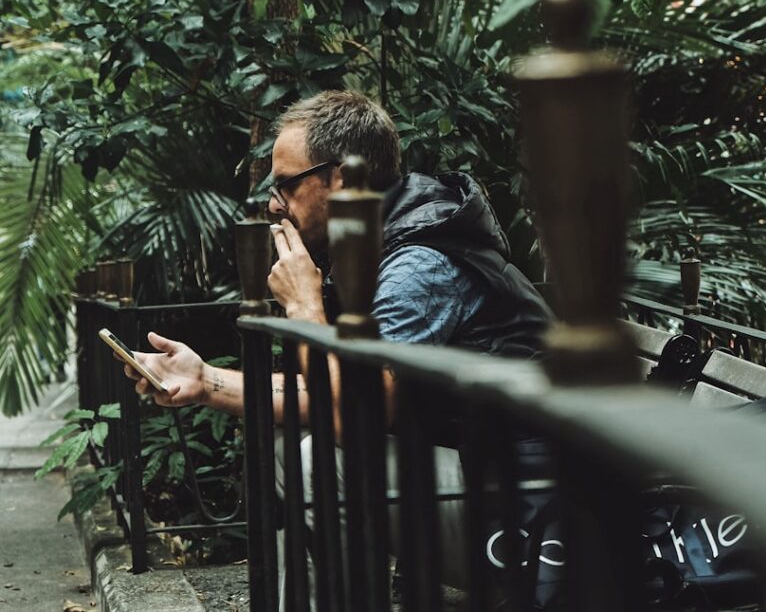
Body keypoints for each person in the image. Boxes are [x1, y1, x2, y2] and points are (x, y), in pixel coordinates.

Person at [121, 89, 556, 599]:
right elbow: (337, 391)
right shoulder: (380, 246)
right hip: (486, 478)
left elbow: (357, 414)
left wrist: (305, 307)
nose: (274, 203)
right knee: (290, 444)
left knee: (320, 462)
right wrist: (204, 381)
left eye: (287, 184)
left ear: (343, 178)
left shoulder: (418, 264)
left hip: (531, 509)